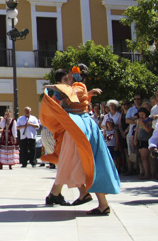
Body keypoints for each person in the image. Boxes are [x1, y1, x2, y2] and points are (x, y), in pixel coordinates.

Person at [41, 63, 120, 215]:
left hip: (79, 127)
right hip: (78, 126)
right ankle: (95, 200)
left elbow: (74, 93)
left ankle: (63, 194)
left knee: (86, 163)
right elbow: (78, 97)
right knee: (85, 163)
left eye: (71, 73)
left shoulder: (77, 86)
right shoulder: (79, 87)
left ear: (76, 74)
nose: (69, 76)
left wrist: (58, 89)